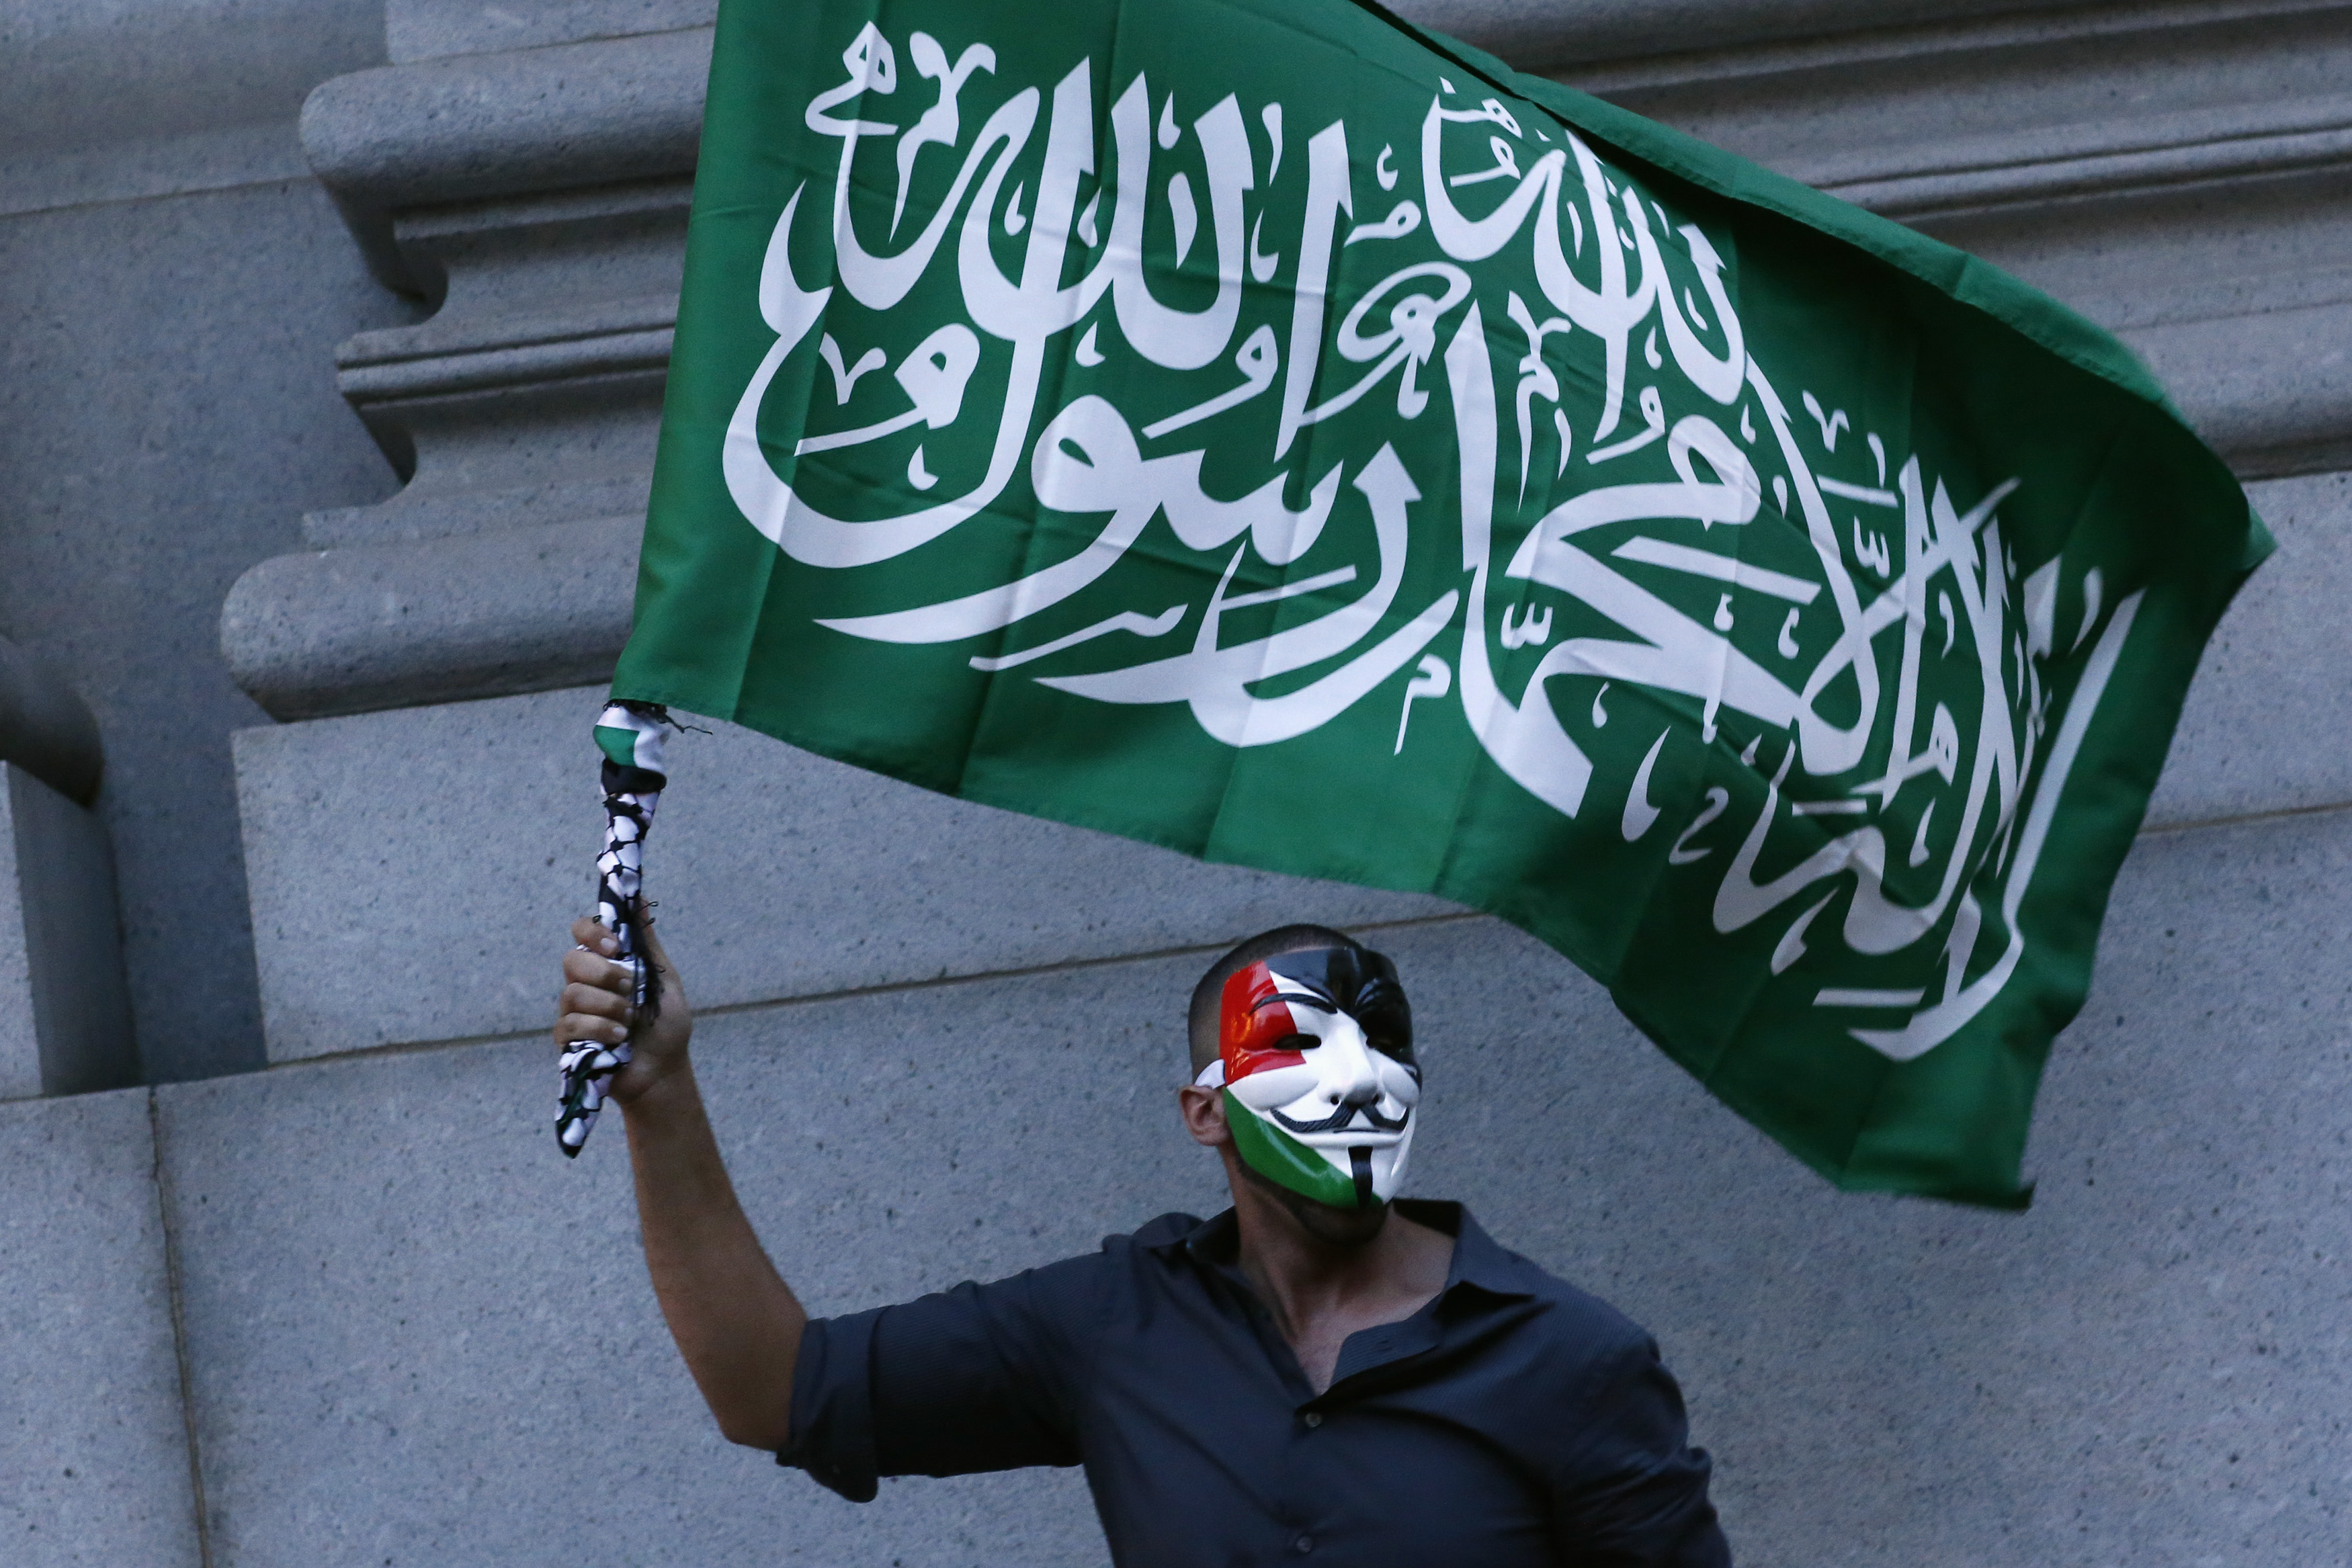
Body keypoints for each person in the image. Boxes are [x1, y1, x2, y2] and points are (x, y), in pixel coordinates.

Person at [556, 911, 1731, 1566]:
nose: (1355, 1080)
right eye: (1297, 1042)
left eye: (1382, 1046)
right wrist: (661, 1095)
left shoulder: (1571, 1359)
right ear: (1203, 1109)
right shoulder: (1117, 1323)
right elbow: (778, 1391)